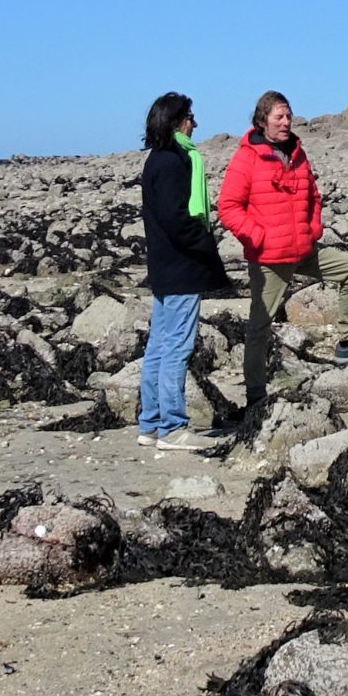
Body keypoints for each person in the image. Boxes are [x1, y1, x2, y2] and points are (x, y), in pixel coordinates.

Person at [217, 91, 348, 416]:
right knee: (259, 326)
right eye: (279, 117)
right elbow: (228, 207)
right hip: (269, 257)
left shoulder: (298, 153)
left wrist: (314, 228)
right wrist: (257, 236)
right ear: (262, 120)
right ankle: (255, 396)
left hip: (303, 247)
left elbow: (314, 197)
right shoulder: (246, 157)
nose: (286, 122)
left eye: (288, 116)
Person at [136, 91, 232, 452]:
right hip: (179, 267)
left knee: (158, 346)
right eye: (190, 117)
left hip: (164, 267)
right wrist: (205, 242)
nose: (195, 123)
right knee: (175, 346)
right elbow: (176, 218)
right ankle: (172, 427)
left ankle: (151, 423)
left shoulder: (156, 159)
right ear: (177, 121)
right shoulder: (175, 161)